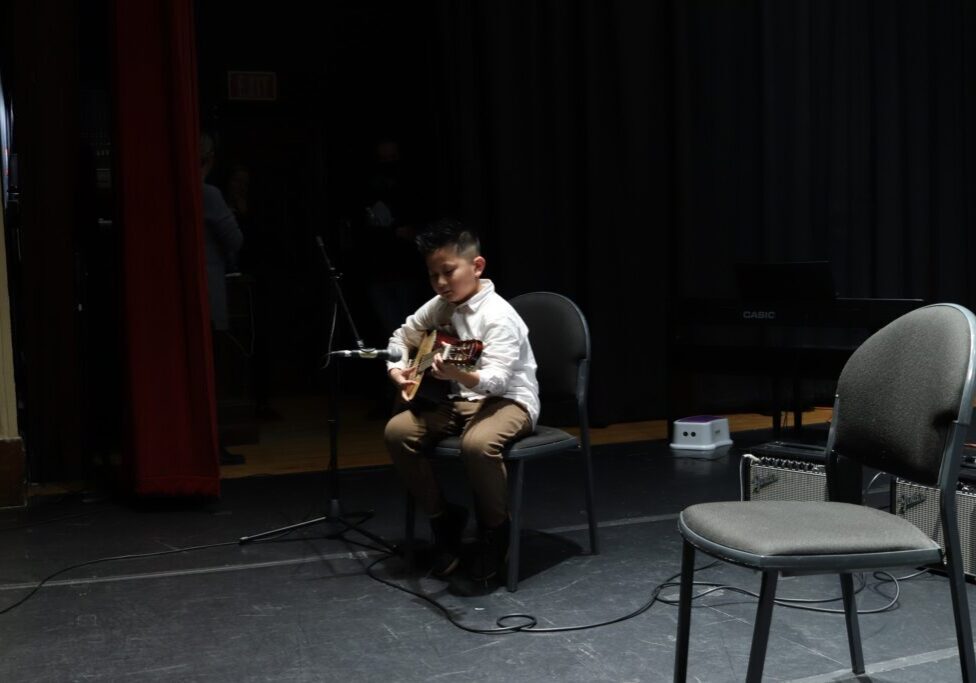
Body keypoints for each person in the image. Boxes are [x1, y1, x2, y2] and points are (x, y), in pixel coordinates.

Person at [384, 219, 539, 582]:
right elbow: (400, 336)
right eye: (433, 274)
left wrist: (459, 374)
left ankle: (496, 532)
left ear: (477, 266)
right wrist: (398, 368)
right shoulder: (441, 305)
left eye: (448, 272)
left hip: (508, 400)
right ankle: (444, 519)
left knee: (477, 444)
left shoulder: (499, 316)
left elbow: (499, 379)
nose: (440, 283)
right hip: (458, 400)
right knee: (397, 433)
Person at [200, 133, 245, 465]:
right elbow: (235, 238)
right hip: (209, 289)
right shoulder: (208, 193)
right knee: (213, 372)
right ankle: (213, 445)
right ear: (209, 159)